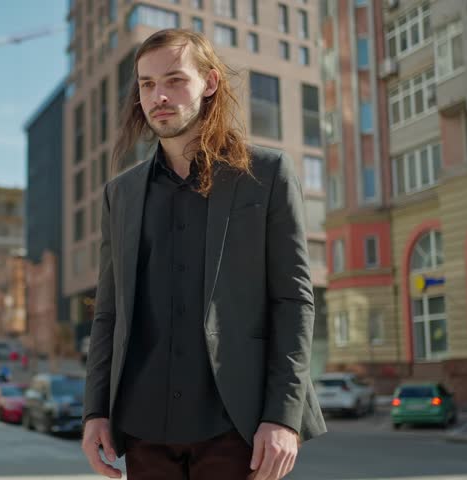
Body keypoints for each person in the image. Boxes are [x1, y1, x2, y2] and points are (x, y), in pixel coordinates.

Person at [81, 29, 327, 480]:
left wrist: (283, 417)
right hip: (143, 428)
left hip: (236, 428)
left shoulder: (267, 175)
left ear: (209, 83)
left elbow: (293, 301)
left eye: (175, 80)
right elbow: (109, 313)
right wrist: (95, 411)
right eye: (147, 84)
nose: (159, 96)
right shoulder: (122, 193)